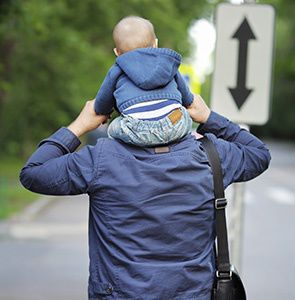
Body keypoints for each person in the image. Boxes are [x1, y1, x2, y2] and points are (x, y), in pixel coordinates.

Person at [19, 95, 271, 299]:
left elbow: (34, 173)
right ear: (179, 103)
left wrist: (80, 126)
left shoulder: (100, 159)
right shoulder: (211, 155)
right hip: (193, 292)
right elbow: (258, 154)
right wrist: (208, 117)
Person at [94, 16, 194, 147]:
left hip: (136, 130)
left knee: (113, 128)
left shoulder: (117, 70)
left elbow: (102, 103)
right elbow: (187, 99)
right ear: (155, 44)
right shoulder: (167, 65)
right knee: (184, 115)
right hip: (174, 123)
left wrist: (103, 112)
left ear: (117, 52)